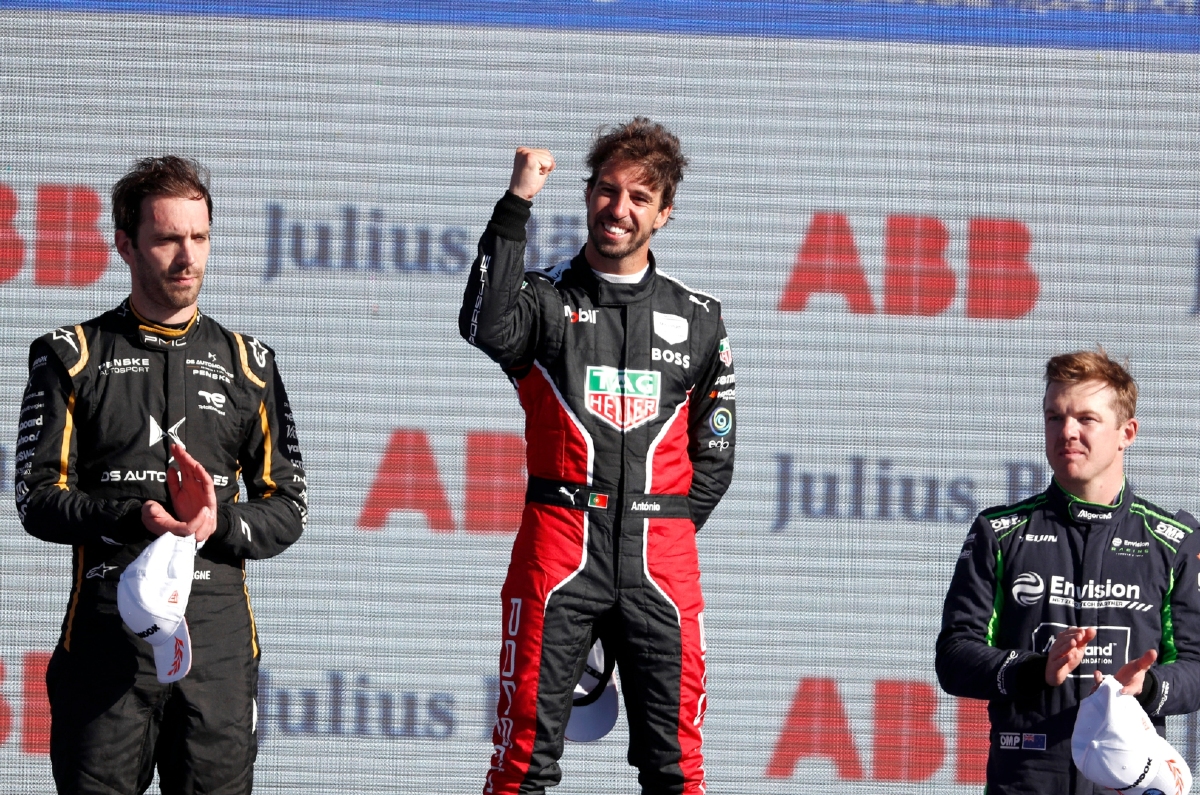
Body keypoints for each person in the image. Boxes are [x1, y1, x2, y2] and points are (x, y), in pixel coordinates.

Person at [14, 156, 307, 794]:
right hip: (105, 639)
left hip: (219, 643)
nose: (187, 257)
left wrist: (217, 522)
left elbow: (288, 508)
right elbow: (36, 499)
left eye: (199, 238)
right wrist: (130, 516)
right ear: (125, 244)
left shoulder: (249, 363)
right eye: (167, 239)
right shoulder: (71, 355)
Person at [459, 118, 735, 795]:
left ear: (664, 213)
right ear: (587, 196)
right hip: (559, 548)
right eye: (608, 191)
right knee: (522, 760)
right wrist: (517, 200)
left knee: (678, 770)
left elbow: (716, 459)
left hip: (659, 564)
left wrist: (651, 526)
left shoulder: (699, 317)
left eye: (640, 197)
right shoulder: (546, 298)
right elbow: (482, 323)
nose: (619, 209)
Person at [936, 349, 1200, 794]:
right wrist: (1035, 668)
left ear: (1126, 433)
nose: (1067, 432)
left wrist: (1149, 685)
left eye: (1086, 419)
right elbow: (954, 657)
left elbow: (1196, 665)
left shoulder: (1173, 539)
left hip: (1128, 782)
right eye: (1055, 417)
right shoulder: (1000, 532)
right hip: (1026, 782)